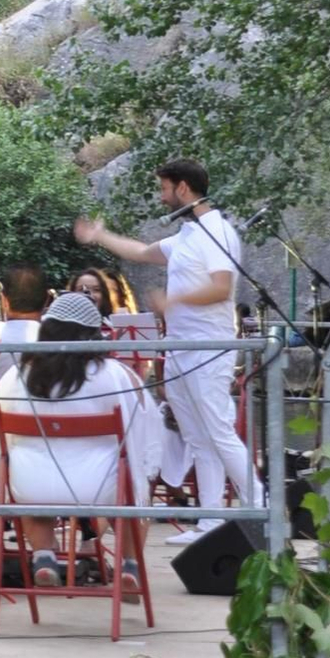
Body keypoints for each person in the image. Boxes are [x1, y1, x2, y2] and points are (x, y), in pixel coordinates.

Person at [74, 155, 262, 539]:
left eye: (163, 188)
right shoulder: (188, 234)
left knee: (218, 430)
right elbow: (144, 253)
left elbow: (222, 287)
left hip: (209, 349)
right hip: (179, 348)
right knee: (196, 436)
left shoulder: (217, 231)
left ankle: (260, 506)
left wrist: (172, 303)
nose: (161, 198)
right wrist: (100, 237)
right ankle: (209, 521)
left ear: (182, 188)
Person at [0, 290, 161, 587]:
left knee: (31, 474)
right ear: (94, 335)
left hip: (31, 488)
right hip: (101, 490)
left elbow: (3, 440)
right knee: (136, 479)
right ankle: (130, 567)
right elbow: (143, 430)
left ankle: (44, 556)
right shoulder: (113, 375)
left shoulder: (17, 376)